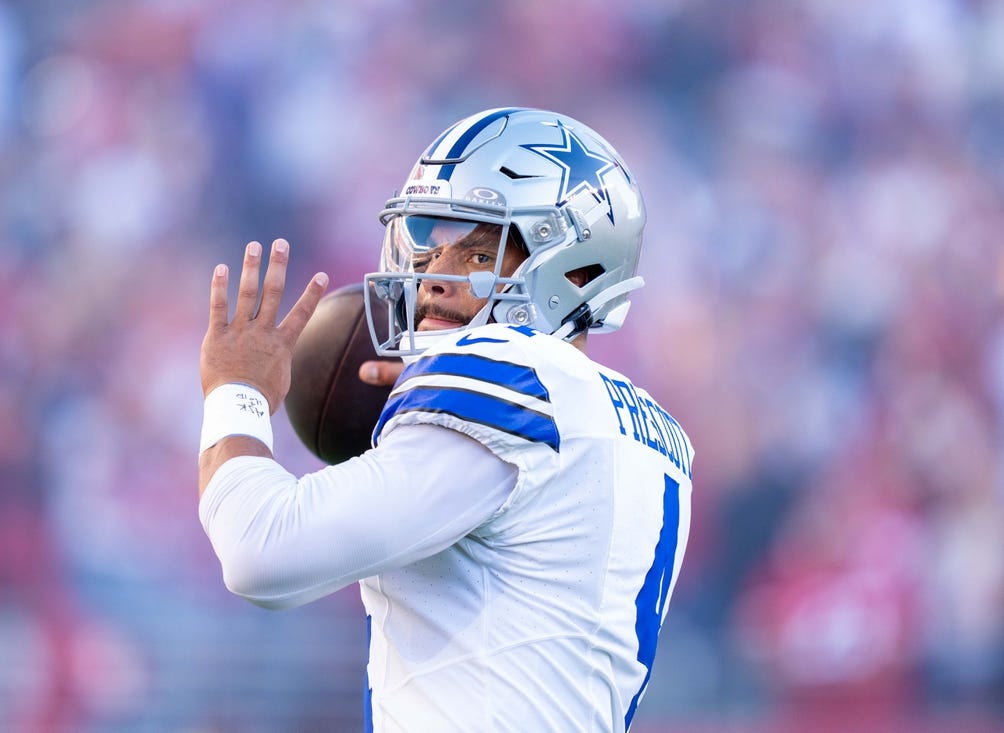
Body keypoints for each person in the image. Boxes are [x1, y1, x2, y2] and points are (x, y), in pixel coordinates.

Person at [197, 107, 694, 732]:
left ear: (578, 270)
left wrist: (235, 390)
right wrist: (411, 424)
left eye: (480, 251)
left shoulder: (502, 375)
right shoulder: (648, 430)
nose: (435, 277)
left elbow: (261, 554)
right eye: (430, 246)